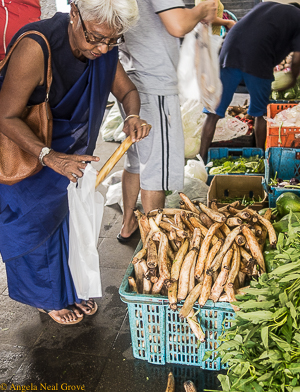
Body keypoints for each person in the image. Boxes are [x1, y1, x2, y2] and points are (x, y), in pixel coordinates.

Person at [0, 0, 151, 324]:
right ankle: (47, 298)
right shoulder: (36, 45)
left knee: (69, 226)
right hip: (28, 152)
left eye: (112, 41)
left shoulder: (104, 43)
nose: (102, 48)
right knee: (35, 228)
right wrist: (48, 156)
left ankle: (68, 291)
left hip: (71, 154)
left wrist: (133, 115)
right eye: (94, 38)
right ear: (74, 14)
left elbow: (127, 92)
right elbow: (5, 114)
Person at [117, 0, 216, 243]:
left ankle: (128, 224)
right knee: (156, 170)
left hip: (130, 79)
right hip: (154, 85)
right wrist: (203, 9)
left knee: (137, 160)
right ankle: (154, 246)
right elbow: (177, 24)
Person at [199, 1, 300, 163]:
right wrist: (291, 80)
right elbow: (297, 59)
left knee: (212, 113)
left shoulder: (266, 7)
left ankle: (201, 158)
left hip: (229, 50)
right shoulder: (298, 18)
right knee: (259, 113)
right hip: (258, 58)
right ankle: (260, 159)